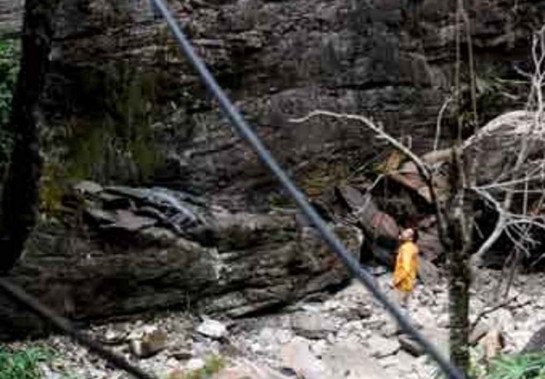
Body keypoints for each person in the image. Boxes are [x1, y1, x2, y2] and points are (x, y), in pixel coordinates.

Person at [392, 227, 419, 308]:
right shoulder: (413, 247)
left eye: (407, 233)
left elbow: (406, 268)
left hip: (402, 285)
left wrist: (396, 281)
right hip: (409, 283)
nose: (403, 232)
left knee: (396, 309)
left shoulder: (405, 249)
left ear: (410, 238)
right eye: (405, 231)